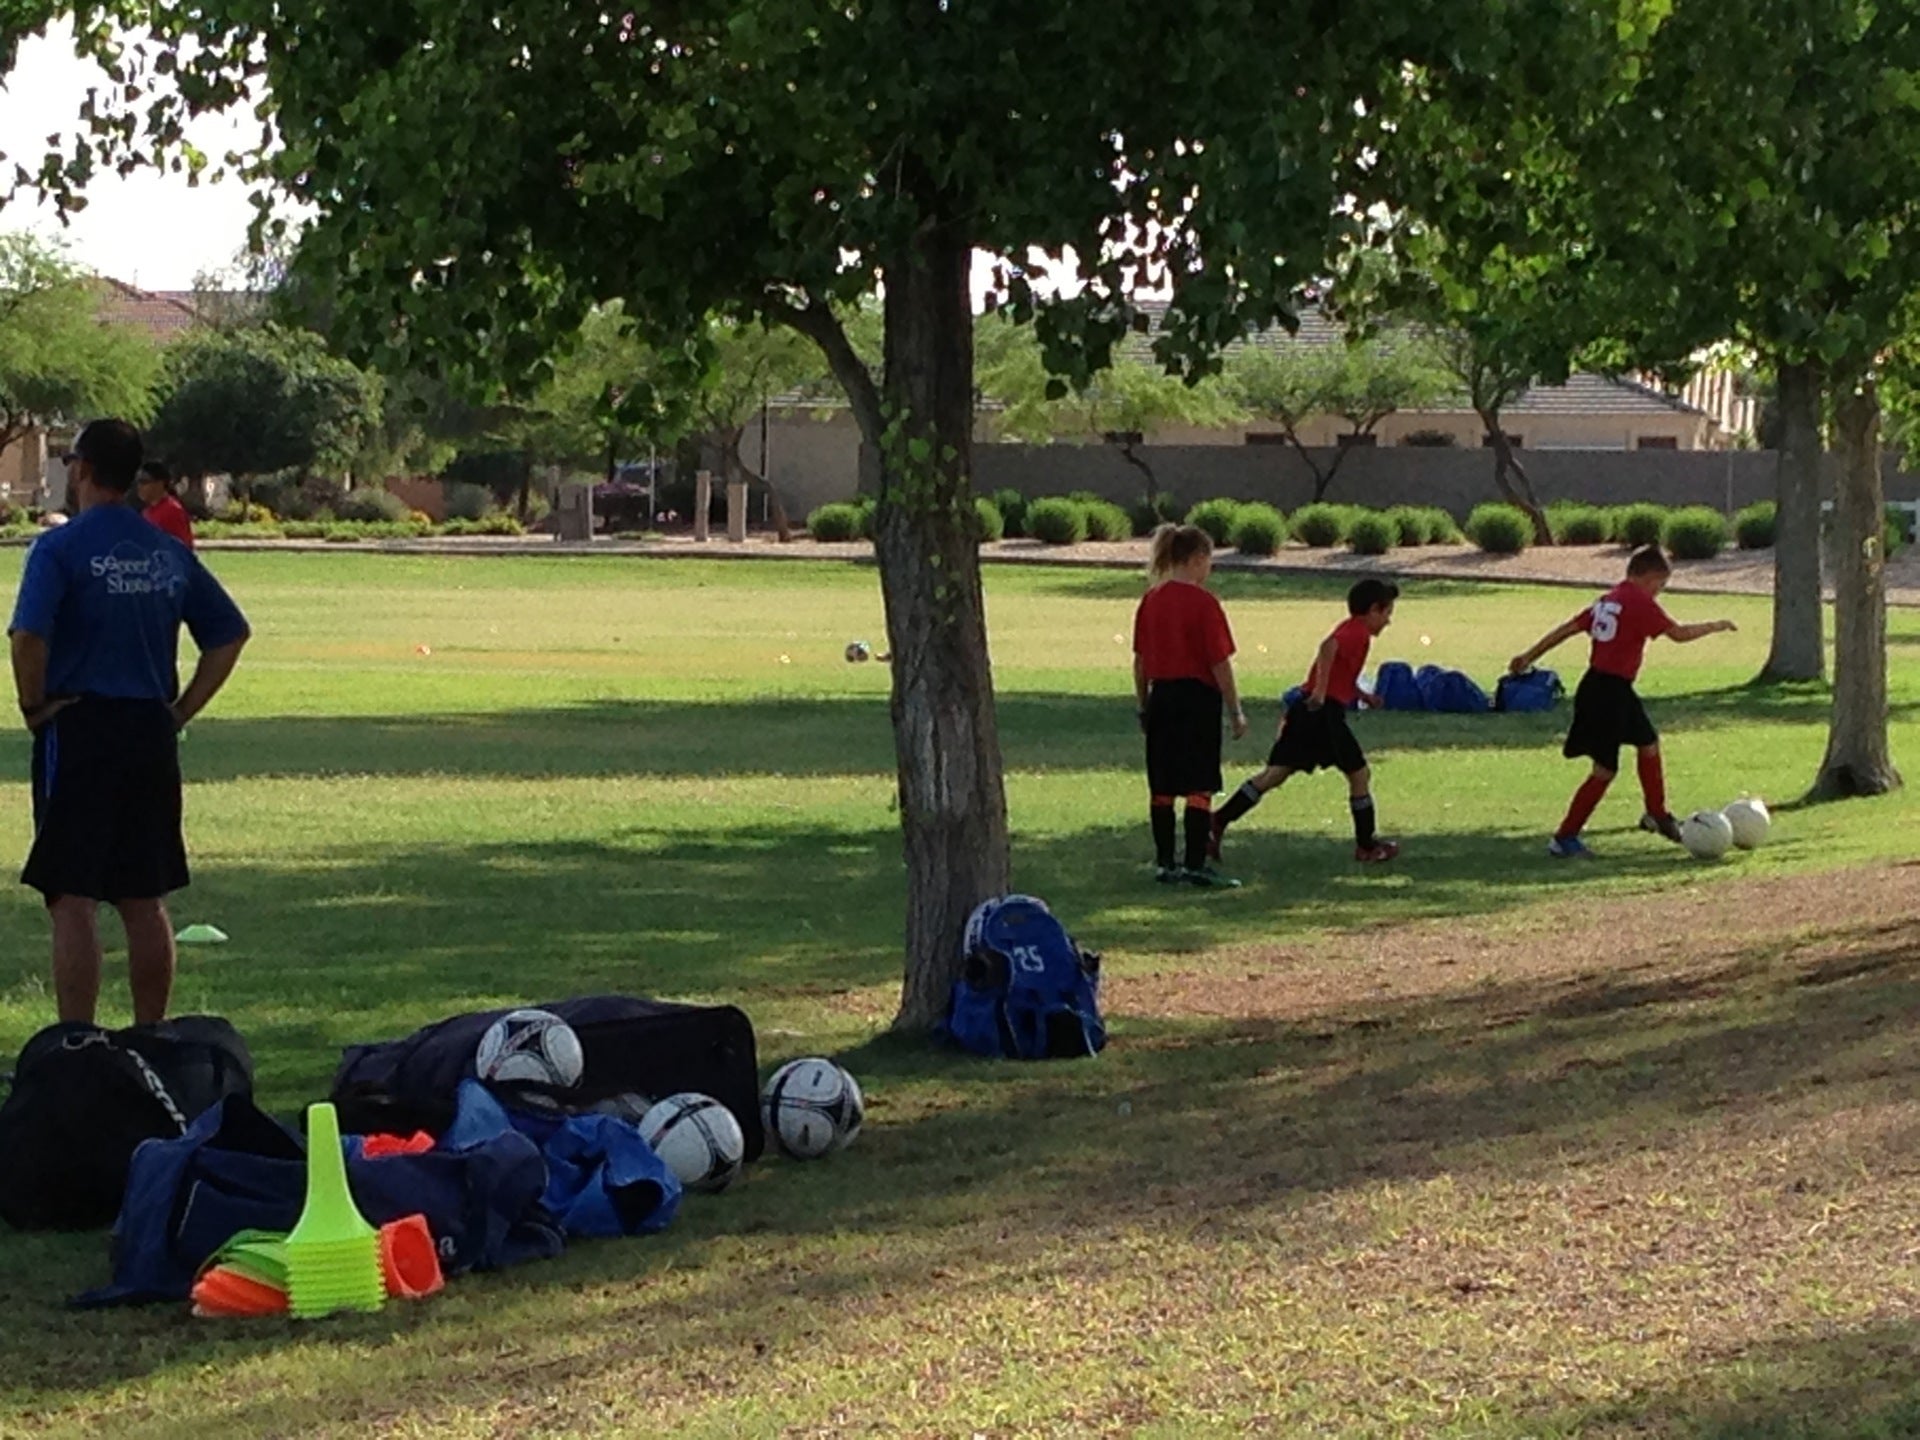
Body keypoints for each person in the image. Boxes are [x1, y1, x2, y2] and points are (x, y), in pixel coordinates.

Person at [9, 419, 250, 1025]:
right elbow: (227, 635)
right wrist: (179, 711)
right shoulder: (165, 551)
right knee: (145, 898)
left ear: (84, 471)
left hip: (82, 725)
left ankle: (78, 1041)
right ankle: (152, 1037)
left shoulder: (60, 548)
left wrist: (34, 705)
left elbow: (29, 634)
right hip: (148, 730)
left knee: (72, 896)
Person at [1509, 545, 1736, 859]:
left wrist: (1528, 655)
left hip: (1606, 687)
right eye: (1661, 585)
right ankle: (1564, 837)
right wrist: (1716, 625)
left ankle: (1656, 814)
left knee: (1648, 743)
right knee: (1604, 769)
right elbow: (1679, 634)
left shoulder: (1609, 598)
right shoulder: (1638, 602)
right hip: (1607, 692)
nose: (1660, 592)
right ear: (1649, 576)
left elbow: (1567, 630)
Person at [1211, 578, 1402, 865]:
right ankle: (1366, 846)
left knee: (1275, 774)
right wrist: (1321, 693)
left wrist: (1363, 695)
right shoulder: (1356, 632)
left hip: (1308, 712)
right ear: (1373, 609)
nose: (1388, 622)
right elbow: (1328, 648)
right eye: (1387, 613)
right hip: (1322, 713)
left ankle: (1217, 821)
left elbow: (1342, 671)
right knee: (1359, 773)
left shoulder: (1353, 631)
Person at [1132, 523, 1248, 888]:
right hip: (1197, 698)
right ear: (1197, 559)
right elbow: (1219, 662)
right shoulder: (1204, 603)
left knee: (1162, 784)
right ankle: (1195, 862)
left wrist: (1144, 704)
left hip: (1162, 696)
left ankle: (1166, 862)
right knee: (1199, 783)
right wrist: (1235, 709)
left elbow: (1140, 660)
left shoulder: (1151, 599)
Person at [135, 460, 195, 549]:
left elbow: (182, 548)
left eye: (144, 482)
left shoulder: (172, 511)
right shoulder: (148, 511)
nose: (139, 487)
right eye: (138, 482)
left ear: (160, 484)